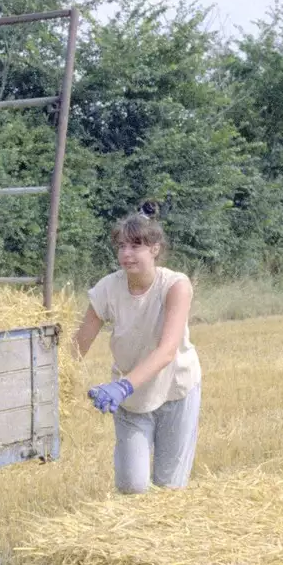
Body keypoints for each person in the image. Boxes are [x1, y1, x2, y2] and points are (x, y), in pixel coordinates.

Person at [72, 206, 203, 494]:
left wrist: (121, 387)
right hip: (133, 400)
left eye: (135, 246)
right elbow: (79, 343)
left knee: (169, 488)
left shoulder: (175, 286)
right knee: (133, 487)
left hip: (175, 391)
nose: (126, 254)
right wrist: (60, 378)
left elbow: (167, 351)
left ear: (155, 249)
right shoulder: (107, 288)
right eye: (121, 246)